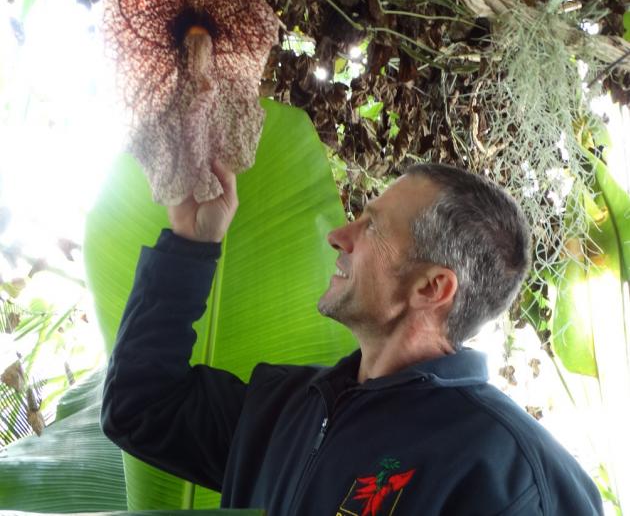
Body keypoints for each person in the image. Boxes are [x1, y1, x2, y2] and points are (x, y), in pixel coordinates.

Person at [101, 160, 603, 515]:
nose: (340, 236)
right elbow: (141, 405)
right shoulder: (281, 409)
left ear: (432, 287)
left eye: (373, 227)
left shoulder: (513, 472)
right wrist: (191, 244)